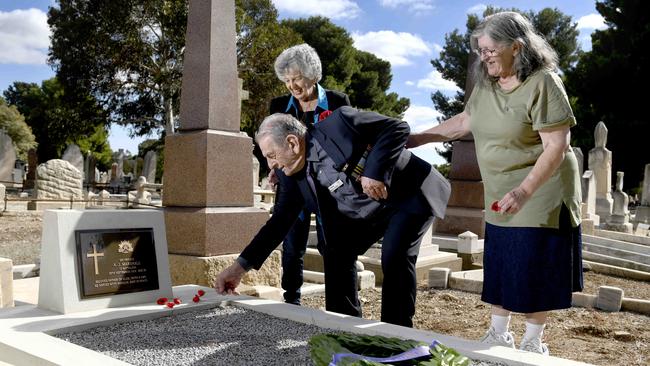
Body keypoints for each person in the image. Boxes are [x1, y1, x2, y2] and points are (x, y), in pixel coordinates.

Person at [407, 11, 582, 355]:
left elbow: (557, 146)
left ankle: (533, 342)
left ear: (516, 47)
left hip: (543, 189)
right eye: (481, 50)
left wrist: (524, 190)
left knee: (532, 262)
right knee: (502, 258)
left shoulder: (544, 83)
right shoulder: (487, 86)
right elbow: (463, 123)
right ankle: (498, 334)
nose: (484, 56)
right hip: (502, 188)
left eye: (491, 49)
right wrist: (418, 138)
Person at [216, 108, 451, 327]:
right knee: (334, 249)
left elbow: (397, 128)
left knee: (395, 254)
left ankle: (397, 335)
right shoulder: (289, 178)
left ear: (292, 142)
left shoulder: (340, 123)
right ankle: (345, 327)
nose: (271, 165)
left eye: (271, 155)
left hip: (408, 194)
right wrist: (238, 268)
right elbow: (277, 224)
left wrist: (374, 173)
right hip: (367, 212)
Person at [269, 43, 350, 305]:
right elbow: (270, 146)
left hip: (329, 187)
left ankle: (337, 305)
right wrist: (274, 167)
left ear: (314, 75)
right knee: (292, 248)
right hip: (292, 187)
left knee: (333, 246)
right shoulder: (279, 106)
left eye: (298, 78)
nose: (293, 85)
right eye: (287, 80)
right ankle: (291, 301)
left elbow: (348, 144)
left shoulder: (338, 102)